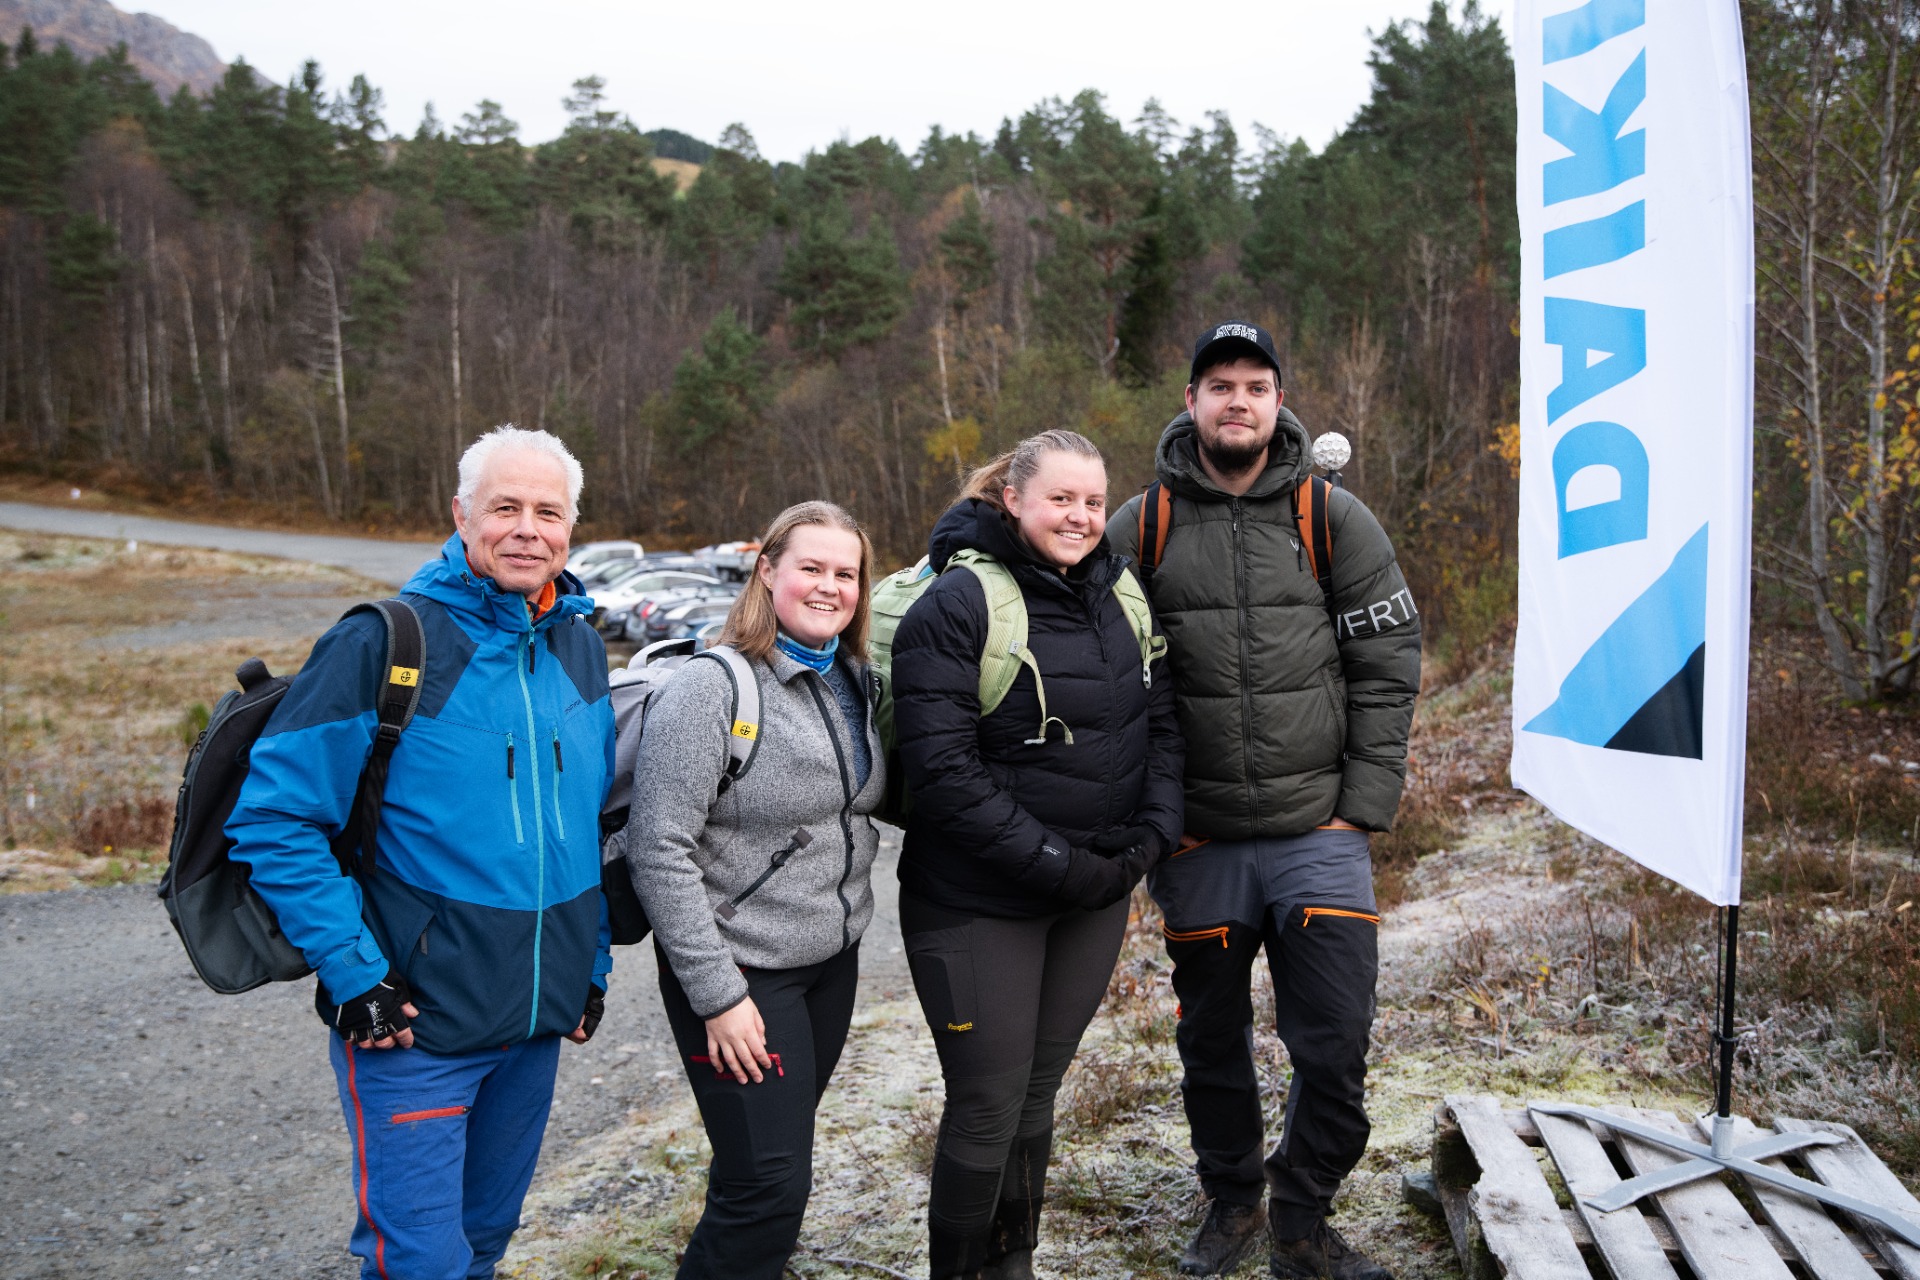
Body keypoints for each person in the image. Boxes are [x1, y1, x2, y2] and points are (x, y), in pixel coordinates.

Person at [226, 425, 615, 1280]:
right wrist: (354, 975)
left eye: (548, 512)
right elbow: (274, 819)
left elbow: (583, 829)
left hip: (535, 1029)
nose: (527, 530)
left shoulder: (580, 646)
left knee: (484, 1246)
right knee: (421, 1263)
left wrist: (589, 965)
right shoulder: (385, 643)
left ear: (571, 527)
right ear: (461, 514)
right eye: (504, 508)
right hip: (415, 1030)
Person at [1106, 323, 1421, 1280]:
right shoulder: (1139, 527)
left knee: (1334, 1045)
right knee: (1211, 1044)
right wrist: (1155, 822)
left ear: (1279, 400)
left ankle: (1303, 1219)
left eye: (1255, 385)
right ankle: (1234, 1200)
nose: (1236, 401)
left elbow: (1387, 664)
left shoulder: (1333, 517)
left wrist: (1360, 807)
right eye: (1219, 385)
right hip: (1199, 845)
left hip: (1319, 838)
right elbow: (1104, 681)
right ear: (1191, 401)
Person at [890, 430, 1185, 1280]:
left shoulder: (1120, 590)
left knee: (1037, 1093)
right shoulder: (958, 604)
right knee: (987, 1103)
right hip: (977, 905)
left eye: (1093, 502)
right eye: (1061, 499)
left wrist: (1150, 838)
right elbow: (943, 774)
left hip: (1091, 896)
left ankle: (1012, 1263)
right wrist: (1067, 865)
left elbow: (1161, 723)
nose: (1080, 517)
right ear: (1013, 500)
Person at [625, 500, 885, 1280]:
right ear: (767, 570)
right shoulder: (712, 688)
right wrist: (718, 995)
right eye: (811, 567)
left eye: (846, 573)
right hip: (742, 972)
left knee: (761, 1165)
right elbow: (658, 848)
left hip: (830, 963)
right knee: (769, 1186)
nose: (830, 586)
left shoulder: (853, 680)